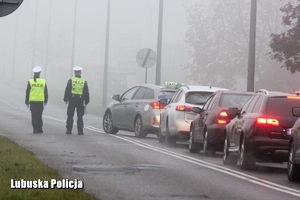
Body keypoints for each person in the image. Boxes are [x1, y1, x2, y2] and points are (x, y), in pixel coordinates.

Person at [63, 66, 90, 135]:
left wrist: (66, 98)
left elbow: (67, 90)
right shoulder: (84, 81)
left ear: (74, 73)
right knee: (80, 116)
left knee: (70, 115)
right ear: (80, 72)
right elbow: (86, 91)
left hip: (72, 99)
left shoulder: (71, 80)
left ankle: (69, 130)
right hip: (80, 100)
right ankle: (80, 131)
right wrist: (87, 100)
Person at [25, 66, 48, 133]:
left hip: (33, 101)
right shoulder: (43, 81)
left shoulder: (30, 81)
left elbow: (27, 92)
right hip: (40, 101)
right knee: (39, 115)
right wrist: (46, 100)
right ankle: (40, 128)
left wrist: (26, 101)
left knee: (34, 116)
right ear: (40, 73)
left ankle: (35, 129)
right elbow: (46, 92)